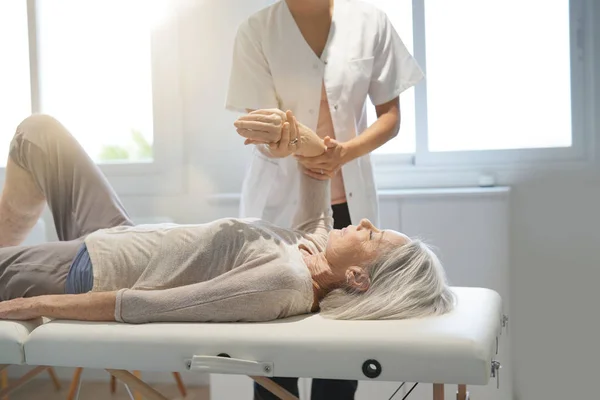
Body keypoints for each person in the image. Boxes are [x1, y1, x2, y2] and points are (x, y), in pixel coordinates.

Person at [0, 114, 453, 329]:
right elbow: (317, 165)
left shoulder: (281, 283)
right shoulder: (311, 249)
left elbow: (144, 306)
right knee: (37, 136)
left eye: (371, 235)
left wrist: (36, 305)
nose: (364, 221)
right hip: (118, 235)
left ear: (357, 278)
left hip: (88, 270)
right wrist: (288, 133)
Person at [226, 0, 424, 398]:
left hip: (347, 210)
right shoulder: (256, 30)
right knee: (273, 341)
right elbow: (258, 128)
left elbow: (391, 117)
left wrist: (343, 153)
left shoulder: (372, 23)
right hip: (278, 208)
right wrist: (291, 147)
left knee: (342, 343)